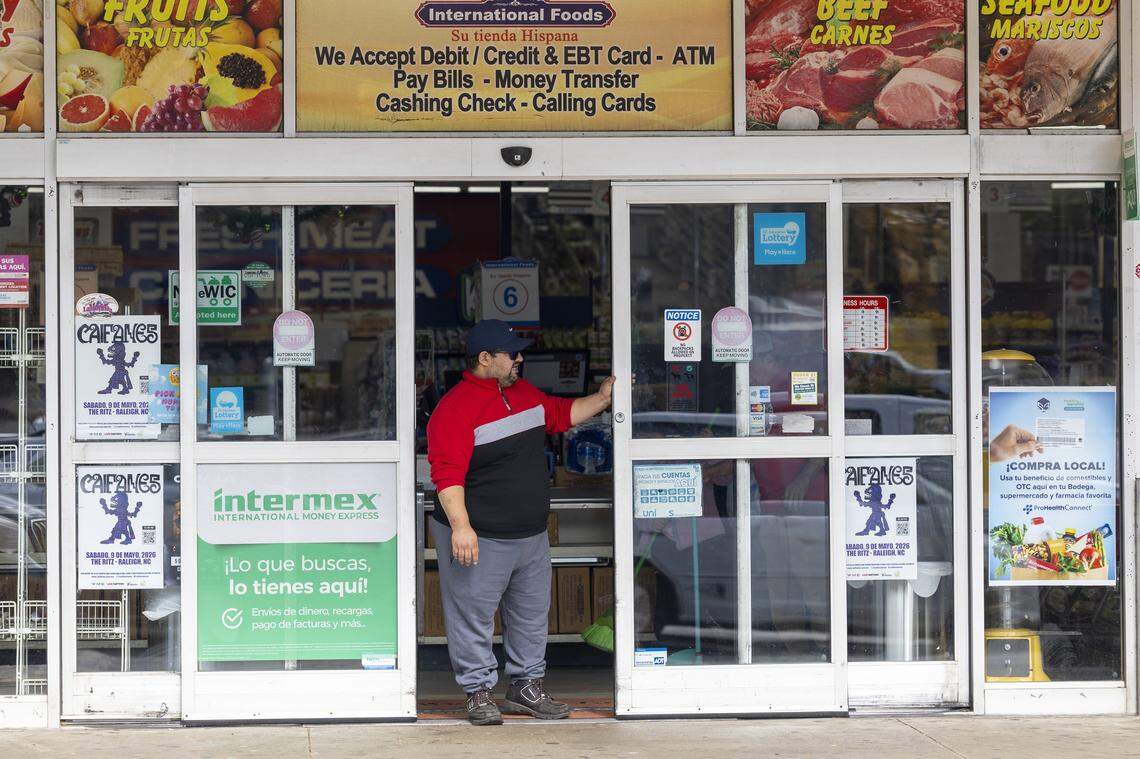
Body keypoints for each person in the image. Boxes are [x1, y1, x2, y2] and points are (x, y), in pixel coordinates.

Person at [427, 319, 614, 726]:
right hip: (481, 534)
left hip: (530, 533)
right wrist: (461, 526)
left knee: (530, 615)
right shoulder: (454, 408)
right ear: (485, 359)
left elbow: (562, 415)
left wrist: (601, 398)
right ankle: (478, 692)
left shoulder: (524, 394)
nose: (520, 359)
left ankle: (525, 688)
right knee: (472, 616)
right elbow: (447, 474)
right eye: (511, 354)